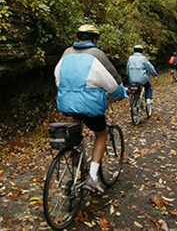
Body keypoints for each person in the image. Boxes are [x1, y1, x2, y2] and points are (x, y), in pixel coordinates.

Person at [54, 24, 127, 195]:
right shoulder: (97, 55)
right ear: (94, 40)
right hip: (90, 105)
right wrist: (121, 93)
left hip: (66, 103)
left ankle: (75, 165)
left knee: (75, 134)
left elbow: (58, 77)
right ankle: (92, 178)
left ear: (78, 38)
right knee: (101, 133)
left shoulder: (66, 53)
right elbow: (113, 83)